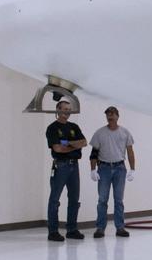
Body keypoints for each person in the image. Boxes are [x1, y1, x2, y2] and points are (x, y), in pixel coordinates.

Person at [89, 106, 136, 238]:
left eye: (112, 114)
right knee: (102, 199)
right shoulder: (100, 133)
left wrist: (133, 169)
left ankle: (120, 227)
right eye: (108, 114)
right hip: (104, 168)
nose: (110, 116)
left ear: (117, 116)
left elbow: (130, 151)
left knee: (119, 200)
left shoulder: (125, 132)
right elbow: (93, 153)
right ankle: (100, 228)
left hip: (120, 168)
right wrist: (93, 169)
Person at [45, 99, 87, 242]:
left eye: (69, 110)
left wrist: (67, 143)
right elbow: (57, 148)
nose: (67, 112)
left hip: (74, 166)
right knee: (54, 200)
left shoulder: (74, 126)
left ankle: (72, 229)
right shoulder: (52, 128)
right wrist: (74, 144)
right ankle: (53, 231)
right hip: (60, 166)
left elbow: (84, 142)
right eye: (64, 109)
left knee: (74, 199)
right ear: (58, 110)